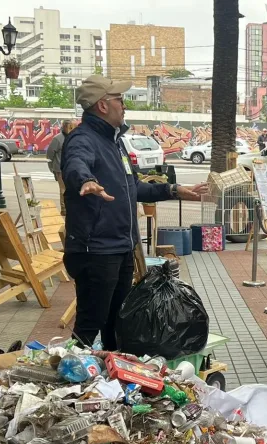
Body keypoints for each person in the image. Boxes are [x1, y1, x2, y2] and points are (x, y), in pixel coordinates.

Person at [61, 75, 206, 351]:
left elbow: (134, 187)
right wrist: (85, 180)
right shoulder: (83, 138)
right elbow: (75, 163)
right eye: (119, 99)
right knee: (90, 324)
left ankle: (112, 372)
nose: (124, 105)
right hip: (96, 251)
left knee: (117, 322)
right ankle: (71, 371)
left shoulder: (114, 142)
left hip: (121, 248)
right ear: (103, 105)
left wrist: (173, 190)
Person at [47, 120, 75, 216]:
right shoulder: (58, 139)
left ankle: (69, 208)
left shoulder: (73, 138)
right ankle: (64, 209)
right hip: (61, 169)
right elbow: (50, 154)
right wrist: (52, 167)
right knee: (63, 190)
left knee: (70, 189)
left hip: (71, 168)